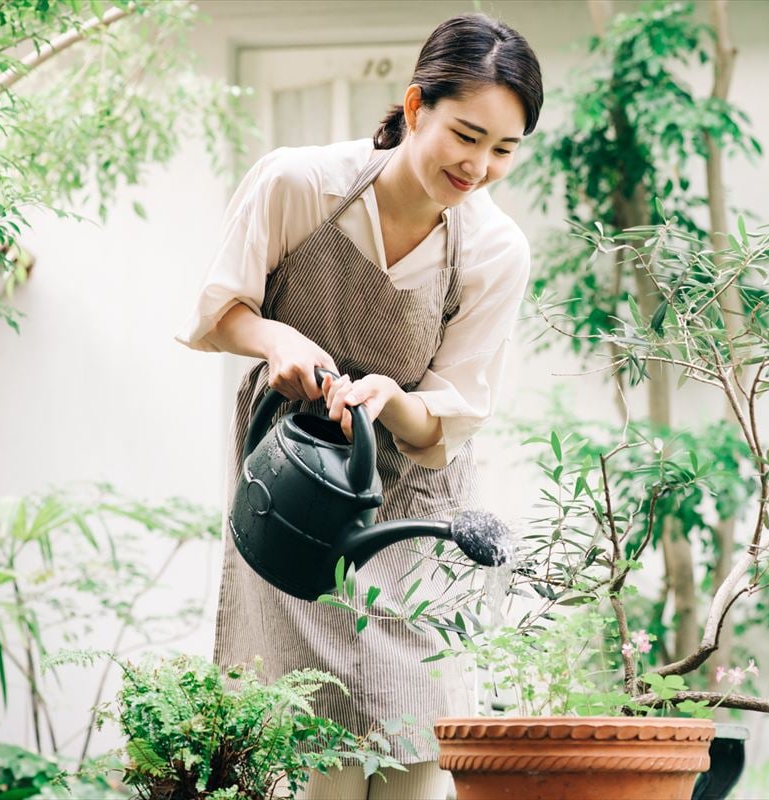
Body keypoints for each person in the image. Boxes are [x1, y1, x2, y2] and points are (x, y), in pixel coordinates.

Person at [175, 13, 542, 800]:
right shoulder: (301, 182)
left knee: (414, 747)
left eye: (504, 149)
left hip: (412, 504)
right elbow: (220, 309)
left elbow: (452, 415)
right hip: (298, 497)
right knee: (311, 756)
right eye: (466, 135)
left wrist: (389, 400)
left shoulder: (493, 249)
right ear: (415, 108)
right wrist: (277, 340)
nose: (478, 165)